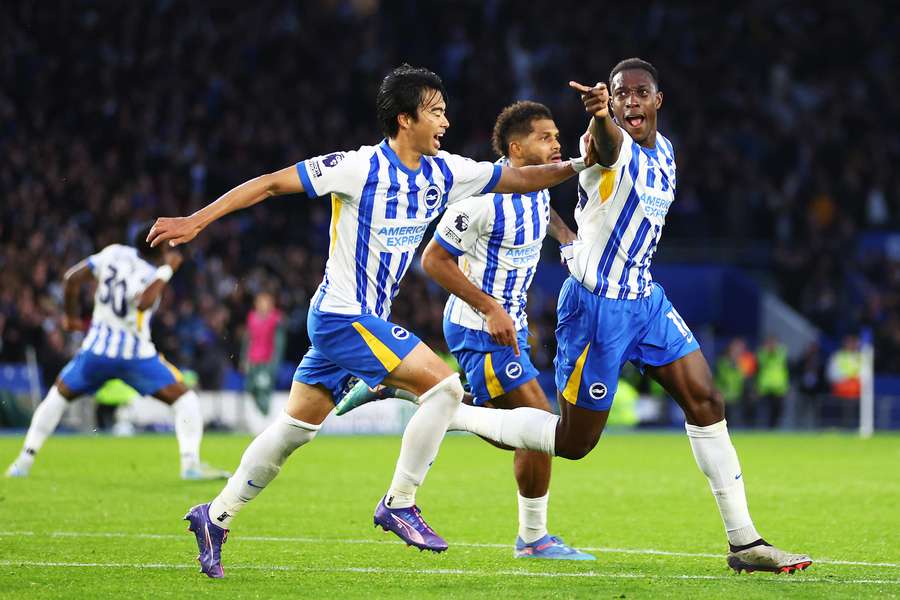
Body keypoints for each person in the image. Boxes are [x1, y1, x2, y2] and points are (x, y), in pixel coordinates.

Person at [342, 58, 811, 575]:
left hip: (645, 300)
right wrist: (599, 115)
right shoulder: (610, 147)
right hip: (595, 308)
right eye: (619, 94)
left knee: (706, 401)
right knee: (572, 442)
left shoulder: (667, 152)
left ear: (659, 100)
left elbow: (560, 222)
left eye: (640, 93)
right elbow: (605, 146)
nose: (630, 101)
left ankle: (745, 543)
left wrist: (569, 244)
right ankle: (433, 404)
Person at [147, 65, 589, 578]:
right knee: (445, 388)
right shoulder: (357, 168)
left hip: (361, 322)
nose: (446, 120)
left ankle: (215, 516)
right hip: (340, 316)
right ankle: (400, 501)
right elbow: (270, 185)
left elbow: (526, 176)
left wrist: (588, 160)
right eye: (436, 111)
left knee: (295, 431)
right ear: (405, 119)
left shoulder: (446, 172)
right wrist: (194, 221)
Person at [336, 101, 593, 560]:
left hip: (509, 327)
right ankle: (533, 539)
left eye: (558, 136)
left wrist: (568, 239)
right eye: (547, 137)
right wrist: (490, 307)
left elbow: (544, 213)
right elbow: (433, 259)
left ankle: (402, 392)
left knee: (518, 430)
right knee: (539, 425)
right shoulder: (480, 200)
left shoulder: (538, 184)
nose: (557, 144)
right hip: (479, 327)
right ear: (517, 148)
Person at [5, 223, 229, 481]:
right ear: (162, 247)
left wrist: (70, 317)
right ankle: (190, 465)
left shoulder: (113, 253)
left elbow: (71, 279)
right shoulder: (150, 273)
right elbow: (144, 302)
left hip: (95, 352)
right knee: (185, 400)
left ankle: (23, 461)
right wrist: (168, 270)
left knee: (57, 396)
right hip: (136, 356)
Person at [242, 292, 285, 415]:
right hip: (253, 360)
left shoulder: (276, 318)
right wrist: (244, 359)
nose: (262, 305)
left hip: (267, 361)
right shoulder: (251, 317)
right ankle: (263, 413)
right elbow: (247, 340)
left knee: (265, 388)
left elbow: (279, 343)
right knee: (249, 387)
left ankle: (266, 415)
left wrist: (275, 362)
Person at [755, 336, 790, 429]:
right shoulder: (762, 354)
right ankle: (764, 428)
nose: (771, 345)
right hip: (765, 388)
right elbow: (758, 367)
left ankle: (775, 428)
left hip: (779, 387)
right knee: (765, 411)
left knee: (778, 411)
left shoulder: (781, 353)